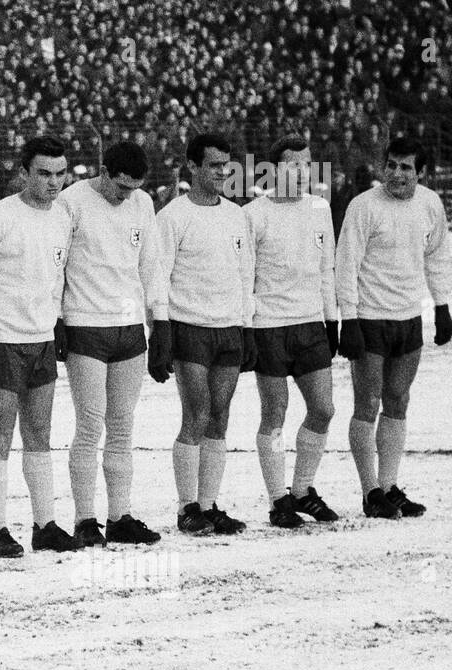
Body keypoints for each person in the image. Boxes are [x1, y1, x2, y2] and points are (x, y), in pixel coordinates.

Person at [0, 135, 73, 558]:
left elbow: (57, 276)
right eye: (44, 173)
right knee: (0, 435)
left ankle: (45, 525)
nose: (53, 182)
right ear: (23, 173)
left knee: (40, 434)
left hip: (41, 339)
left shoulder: (63, 217)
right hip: (2, 340)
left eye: (60, 174)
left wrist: (57, 321)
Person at [335, 135, 452, 519]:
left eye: (406, 167)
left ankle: (389, 486)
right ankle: (370, 490)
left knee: (398, 401)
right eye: (391, 165)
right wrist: (348, 319)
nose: (396, 174)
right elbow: (346, 263)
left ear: (422, 172)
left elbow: (437, 257)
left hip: (408, 318)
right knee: (367, 403)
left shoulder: (431, 205)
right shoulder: (363, 206)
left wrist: (443, 305)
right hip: (370, 318)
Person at [58, 141, 165, 548]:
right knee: (90, 423)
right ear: (104, 172)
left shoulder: (142, 203)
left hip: (129, 328)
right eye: (120, 187)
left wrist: (160, 322)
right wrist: (57, 318)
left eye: (133, 188)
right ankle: (85, 519)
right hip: (86, 324)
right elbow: (58, 263)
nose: (126, 195)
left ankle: (119, 515)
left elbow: (150, 265)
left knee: (122, 426)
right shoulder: (71, 202)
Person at [151, 132, 254, 537]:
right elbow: (159, 277)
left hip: (228, 327)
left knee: (221, 416)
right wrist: (161, 329)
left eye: (226, 165)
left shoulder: (236, 215)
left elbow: (246, 274)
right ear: (192, 167)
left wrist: (246, 325)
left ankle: (210, 504)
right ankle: (186, 507)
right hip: (190, 326)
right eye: (213, 165)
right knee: (196, 413)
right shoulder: (172, 217)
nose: (221, 172)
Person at [243, 134, 341, 528]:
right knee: (275, 413)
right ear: (273, 170)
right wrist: (248, 328)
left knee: (323, 408)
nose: (302, 171)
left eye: (307, 163)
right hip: (269, 325)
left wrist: (331, 320)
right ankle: (278, 500)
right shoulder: (254, 214)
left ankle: (302, 490)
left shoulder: (319, 209)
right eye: (292, 164)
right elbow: (246, 277)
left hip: (310, 324)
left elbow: (326, 268)